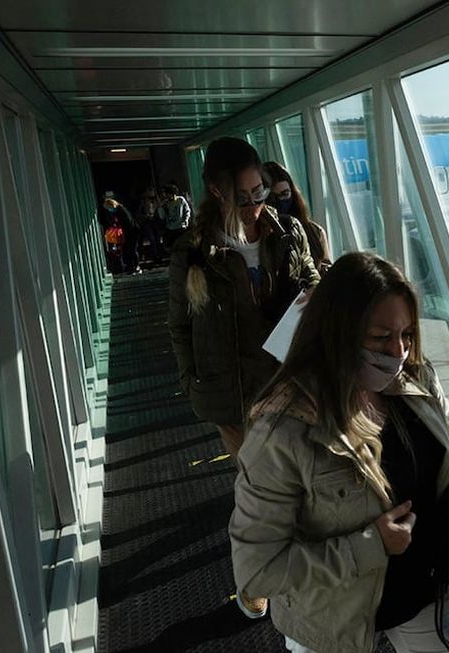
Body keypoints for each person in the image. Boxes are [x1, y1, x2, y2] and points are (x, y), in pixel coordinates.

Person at [230, 252, 449, 653]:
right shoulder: (282, 432)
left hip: (427, 589)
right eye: (380, 338)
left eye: (407, 335)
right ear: (338, 332)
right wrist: (369, 546)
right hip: (333, 616)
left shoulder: (408, 377)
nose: (399, 351)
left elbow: (440, 413)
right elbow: (257, 570)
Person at [168, 136, 321, 617]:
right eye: (246, 196)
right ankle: (257, 577)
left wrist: (314, 297)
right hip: (231, 393)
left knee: (294, 482)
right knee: (258, 486)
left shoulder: (287, 231)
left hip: (285, 383)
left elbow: (312, 278)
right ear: (217, 191)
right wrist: (193, 380)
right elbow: (179, 325)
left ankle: (293, 570)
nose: (257, 204)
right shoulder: (194, 251)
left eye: (261, 192)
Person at [263, 161, 332, 274]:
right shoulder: (257, 236)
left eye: (285, 194)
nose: (280, 201)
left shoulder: (315, 232)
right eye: (273, 197)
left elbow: (325, 268)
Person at [103, 197, 140, 274]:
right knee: (129, 249)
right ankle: (132, 266)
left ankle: (135, 266)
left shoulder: (120, 211)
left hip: (131, 232)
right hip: (129, 231)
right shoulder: (119, 210)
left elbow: (128, 222)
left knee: (132, 249)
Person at [159, 183, 192, 248]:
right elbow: (162, 217)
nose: (170, 196)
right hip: (171, 228)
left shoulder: (181, 200)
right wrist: (161, 207)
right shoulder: (166, 203)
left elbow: (187, 210)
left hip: (180, 227)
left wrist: (186, 220)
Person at [136, 187, 164, 263]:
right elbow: (139, 212)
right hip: (148, 221)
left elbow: (160, 206)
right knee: (152, 239)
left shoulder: (156, 200)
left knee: (157, 238)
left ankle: (159, 255)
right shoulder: (144, 201)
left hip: (156, 220)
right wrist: (145, 216)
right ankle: (155, 255)